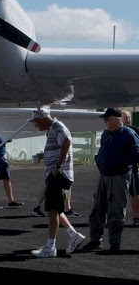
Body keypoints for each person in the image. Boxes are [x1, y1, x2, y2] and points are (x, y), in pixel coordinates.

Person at [29, 108, 85, 257]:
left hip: (59, 175)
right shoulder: (52, 128)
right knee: (55, 209)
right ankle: (73, 235)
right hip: (57, 174)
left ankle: (50, 247)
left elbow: (66, 142)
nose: (35, 125)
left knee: (52, 211)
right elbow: (60, 146)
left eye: (35, 122)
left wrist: (58, 166)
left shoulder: (56, 126)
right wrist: (43, 155)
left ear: (42, 118)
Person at [82, 108, 139, 253]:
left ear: (116, 119)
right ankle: (95, 240)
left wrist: (119, 161)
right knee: (97, 209)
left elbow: (136, 154)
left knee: (116, 209)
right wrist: (98, 159)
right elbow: (103, 150)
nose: (105, 121)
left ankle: (115, 242)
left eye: (107, 119)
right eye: (104, 119)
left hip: (119, 175)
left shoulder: (128, 134)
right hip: (104, 174)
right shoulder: (107, 134)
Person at [0, 132, 23, 209]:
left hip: (1, 156)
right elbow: (1, 140)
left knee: (7, 178)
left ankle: (11, 201)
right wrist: (7, 138)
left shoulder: (0, 131)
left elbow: (9, 139)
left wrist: (7, 138)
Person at [121, 110, 139, 226]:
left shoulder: (135, 131)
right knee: (118, 194)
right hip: (120, 167)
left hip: (133, 166)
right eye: (125, 117)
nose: (128, 119)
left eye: (129, 117)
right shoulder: (116, 132)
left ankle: (136, 217)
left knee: (134, 192)